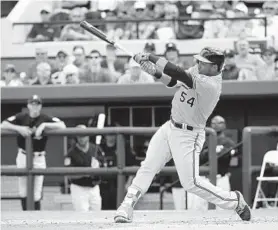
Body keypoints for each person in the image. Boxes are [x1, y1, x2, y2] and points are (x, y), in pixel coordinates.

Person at [114, 47, 251, 223]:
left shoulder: (212, 85)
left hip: (189, 135)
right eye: (199, 60)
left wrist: (150, 57)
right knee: (148, 166)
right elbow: (173, 82)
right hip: (170, 126)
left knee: (191, 183)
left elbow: (179, 73)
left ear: (216, 67)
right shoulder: (198, 70)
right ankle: (126, 206)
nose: (199, 64)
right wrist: (155, 73)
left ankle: (234, 201)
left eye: (204, 62)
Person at [1, 95, 66, 210]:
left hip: (39, 156)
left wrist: (44, 125)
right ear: (28, 105)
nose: (35, 106)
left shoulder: (45, 118)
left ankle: (35, 220)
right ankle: (26, 218)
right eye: (32, 104)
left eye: (37, 104)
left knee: (36, 193)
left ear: (41, 106)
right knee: (23, 191)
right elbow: (3, 125)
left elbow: (62, 125)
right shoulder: (21, 117)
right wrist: (19, 128)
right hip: (23, 155)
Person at [64, 125, 102, 211]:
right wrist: (86, 173)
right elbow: (69, 175)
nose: (82, 138)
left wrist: (98, 166)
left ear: (88, 136)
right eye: (79, 136)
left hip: (94, 187)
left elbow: (104, 166)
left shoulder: (95, 149)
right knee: (82, 216)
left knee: (97, 215)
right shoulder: (71, 153)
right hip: (79, 188)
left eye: (84, 136)